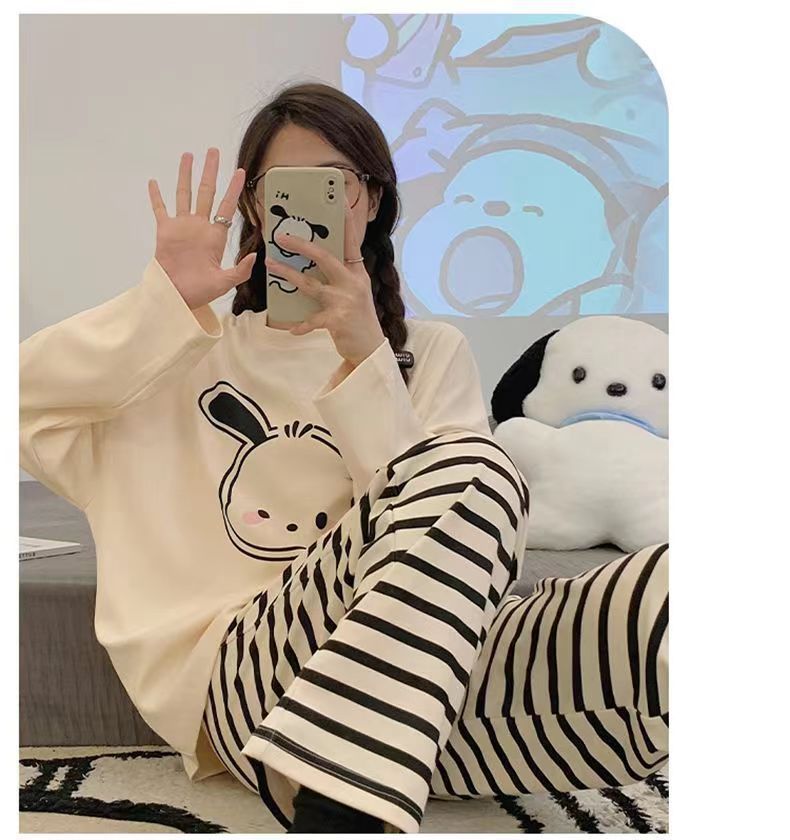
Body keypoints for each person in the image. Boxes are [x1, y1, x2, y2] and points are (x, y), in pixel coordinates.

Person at [19, 82, 668, 834]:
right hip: (245, 692)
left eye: (336, 184)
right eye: (283, 188)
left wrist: (366, 357)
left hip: (423, 699)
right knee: (474, 465)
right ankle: (338, 796)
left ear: (371, 200)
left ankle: (345, 791)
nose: (310, 208)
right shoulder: (175, 355)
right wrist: (159, 306)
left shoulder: (431, 354)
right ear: (254, 206)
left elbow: (456, 550)